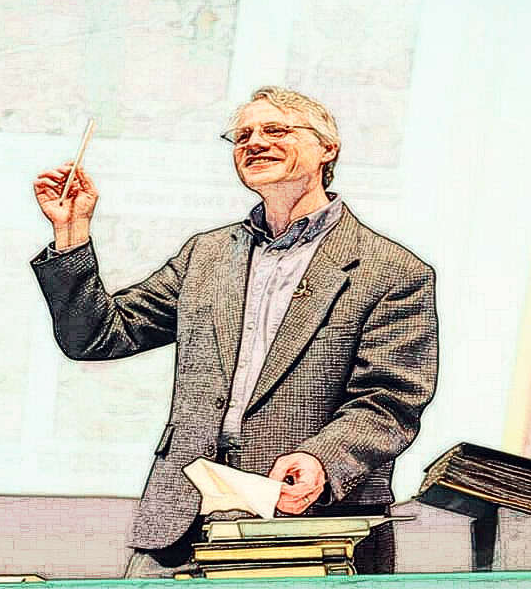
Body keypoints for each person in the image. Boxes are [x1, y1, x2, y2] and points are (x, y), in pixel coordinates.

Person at [30, 86, 438, 577]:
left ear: (327, 148)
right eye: (242, 135)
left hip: (309, 527)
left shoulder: (392, 270)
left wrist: (322, 461)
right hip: (180, 525)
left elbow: (389, 400)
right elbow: (97, 336)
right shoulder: (206, 255)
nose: (254, 142)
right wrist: (71, 233)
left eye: (275, 130)